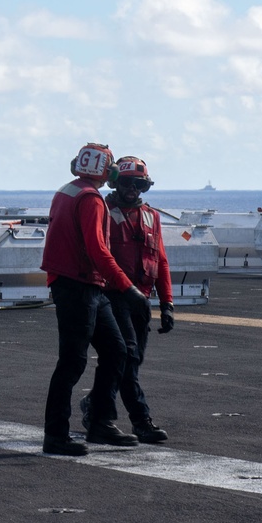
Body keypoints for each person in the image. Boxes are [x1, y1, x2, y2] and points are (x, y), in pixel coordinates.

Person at [40, 143, 150, 456]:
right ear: (106, 169)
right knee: (72, 362)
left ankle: (101, 422)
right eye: (112, 165)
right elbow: (98, 250)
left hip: (85, 285)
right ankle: (56, 435)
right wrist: (129, 289)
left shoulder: (69, 190)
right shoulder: (90, 198)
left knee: (117, 351)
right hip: (79, 286)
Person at [81, 155, 174, 444]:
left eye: (138, 184)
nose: (132, 189)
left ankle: (93, 404)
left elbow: (161, 261)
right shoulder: (103, 211)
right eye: (126, 183)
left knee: (131, 362)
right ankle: (141, 421)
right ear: (115, 183)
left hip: (141, 301)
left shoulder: (151, 217)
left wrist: (167, 303)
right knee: (128, 357)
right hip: (114, 296)